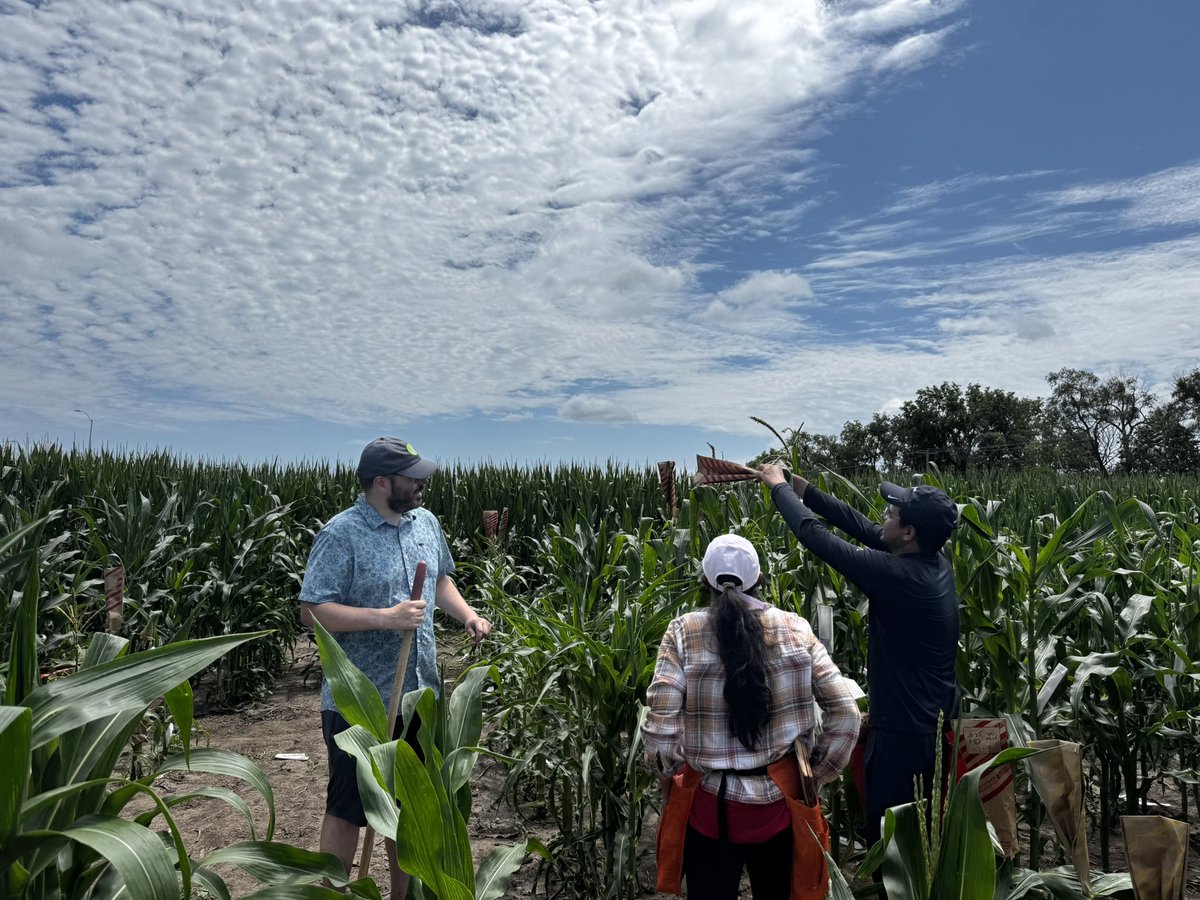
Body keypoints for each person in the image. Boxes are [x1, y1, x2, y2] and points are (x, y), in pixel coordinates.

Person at [299, 437, 491, 897]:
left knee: (409, 807)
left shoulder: (425, 522)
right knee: (348, 806)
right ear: (383, 482)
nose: (422, 483)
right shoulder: (341, 534)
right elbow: (311, 610)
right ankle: (335, 893)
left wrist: (467, 616)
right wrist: (384, 618)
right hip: (360, 701)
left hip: (419, 694)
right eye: (412, 476)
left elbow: (441, 579)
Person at [642, 534, 861, 900]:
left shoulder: (683, 631)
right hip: (780, 804)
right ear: (759, 580)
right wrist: (816, 776)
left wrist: (671, 771)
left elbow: (660, 731)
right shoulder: (796, 628)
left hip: (711, 804)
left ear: (705, 582)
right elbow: (846, 712)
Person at [757, 466, 959, 848]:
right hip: (931, 728)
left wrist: (778, 489)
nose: (883, 517)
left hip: (902, 737)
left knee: (892, 848)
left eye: (892, 514)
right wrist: (804, 488)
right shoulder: (932, 564)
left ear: (909, 532)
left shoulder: (897, 575)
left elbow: (814, 536)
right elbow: (862, 527)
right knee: (923, 840)